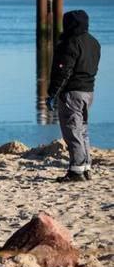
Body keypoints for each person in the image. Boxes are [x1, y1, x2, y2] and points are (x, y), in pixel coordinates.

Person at [46, 10, 101, 183]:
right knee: (82, 129)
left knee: (72, 131)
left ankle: (76, 170)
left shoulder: (70, 43)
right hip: (88, 91)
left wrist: (53, 93)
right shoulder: (94, 42)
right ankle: (85, 167)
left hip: (72, 92)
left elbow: (64, 71)